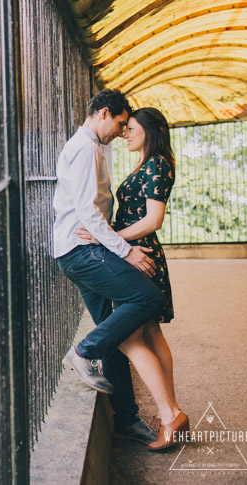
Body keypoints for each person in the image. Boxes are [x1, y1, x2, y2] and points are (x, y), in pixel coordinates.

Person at [52, 89, 185, 448]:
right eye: (121, 124)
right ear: (105, 113)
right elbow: (88, 213)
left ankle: (125, 421)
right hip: (82, 250)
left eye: (129, 127)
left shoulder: (93, 148)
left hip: (84, 248)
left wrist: (113, 240)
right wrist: (124, 250)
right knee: (146, 298)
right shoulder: (85, 148)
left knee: (116, 336)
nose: (121, 132)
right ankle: (82, 352)